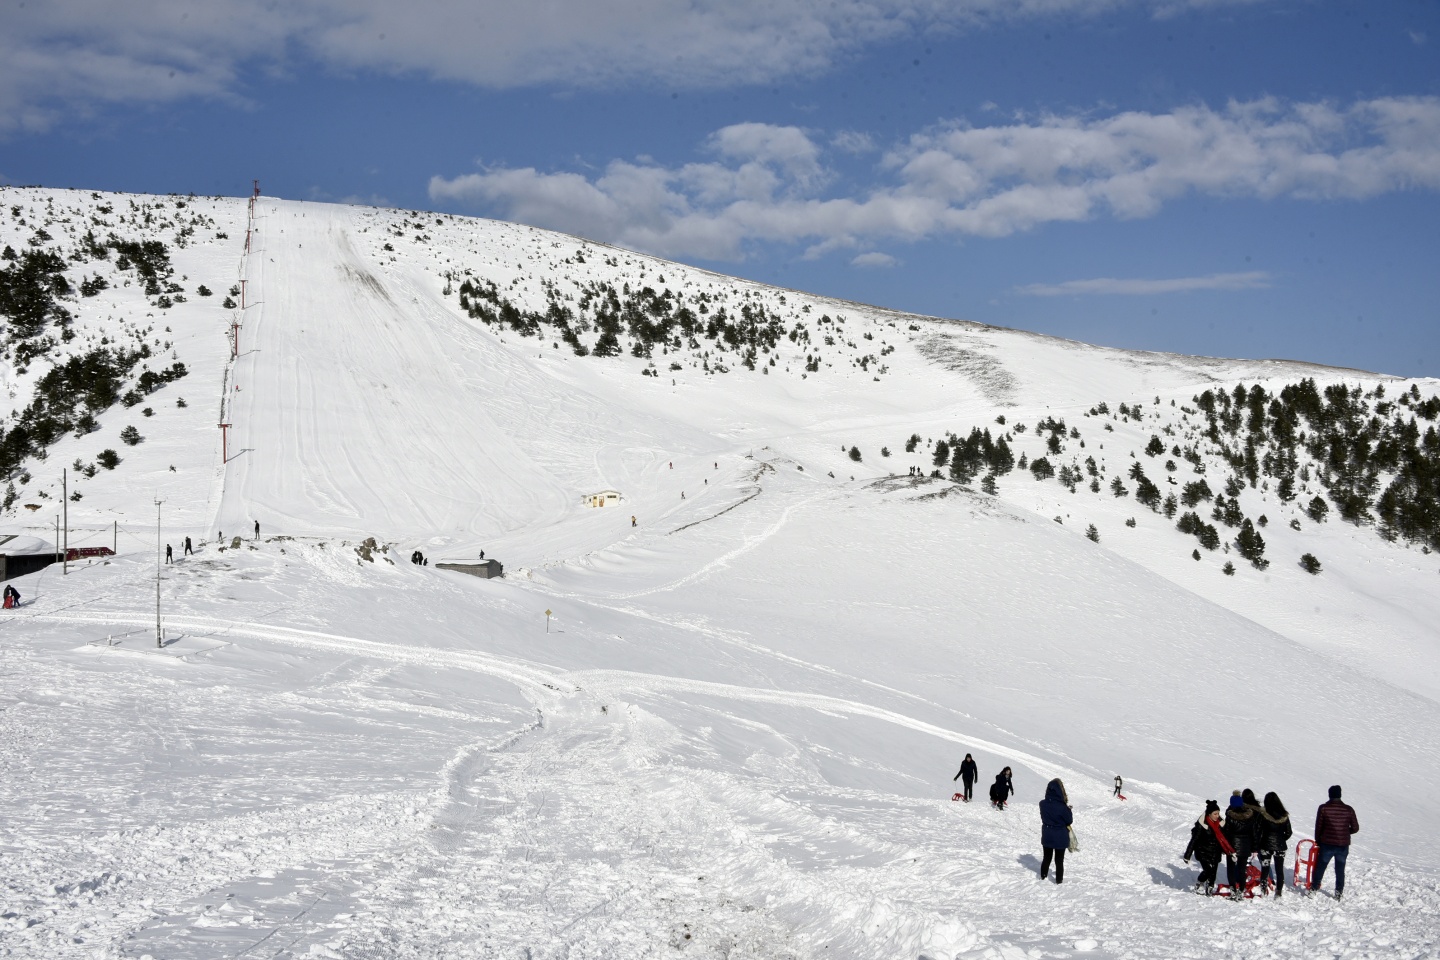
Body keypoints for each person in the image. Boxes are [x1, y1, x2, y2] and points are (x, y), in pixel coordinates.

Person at [1311, 785, 1359, 898]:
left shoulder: (1323, 808)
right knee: (1340, 869)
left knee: (1321, 867)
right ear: (1340, 795)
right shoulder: (1348, 809)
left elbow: (1319, 827)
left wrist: (1318, 840)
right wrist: (1345, 833)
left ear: (1329, 795)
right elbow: (1355, 828)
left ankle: (1314, 888)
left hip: (1327, 843)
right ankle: (1338, 892)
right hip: (1343, 845)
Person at [1184, 800, 1233, 895]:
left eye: (1218, 813)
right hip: (1203, 851)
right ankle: (1199, 883)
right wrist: (1188, 854)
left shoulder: (1221, 824)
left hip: (1215, 851)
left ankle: (1210, 888)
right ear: (1209, 814)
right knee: (1208, 871)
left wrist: (1228, 850)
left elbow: (1225, 838)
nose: (1217, 816)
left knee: (1213, 872)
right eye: (1215, 814)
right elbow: (1194, 840)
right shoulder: (1201, 825)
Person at [1256, 791, 1293, 897]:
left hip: (1265, 845)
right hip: (1280, 846)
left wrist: (1260, 842)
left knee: (1265, 867)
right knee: (1279, 869)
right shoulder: (1284, 816)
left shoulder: (1263, 815)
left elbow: (1257, 830)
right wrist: (1281, 839)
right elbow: (1289, 832)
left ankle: (1263, 889)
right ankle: (1279, 891)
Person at [1223, 793, 1258, 899]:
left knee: (1231, 869)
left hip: (1232, 847)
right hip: (1245, 846)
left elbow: (1226, 833)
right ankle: (1241, 890)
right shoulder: (1250, 816)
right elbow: (1254, 833)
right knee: (1242, 869)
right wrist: (1254, 847)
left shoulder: (1230, 817)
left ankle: (1233, 888)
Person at [1039, 778, 1073, 883]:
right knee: (1059, 861)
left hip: (1047, 833)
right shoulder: (1062, 807)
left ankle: (1043, 877)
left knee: (1046, 858)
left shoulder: (1042, 804)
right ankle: (1059, 881)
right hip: (1060, 835)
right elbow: (1069, 821)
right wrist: (1069, 810)